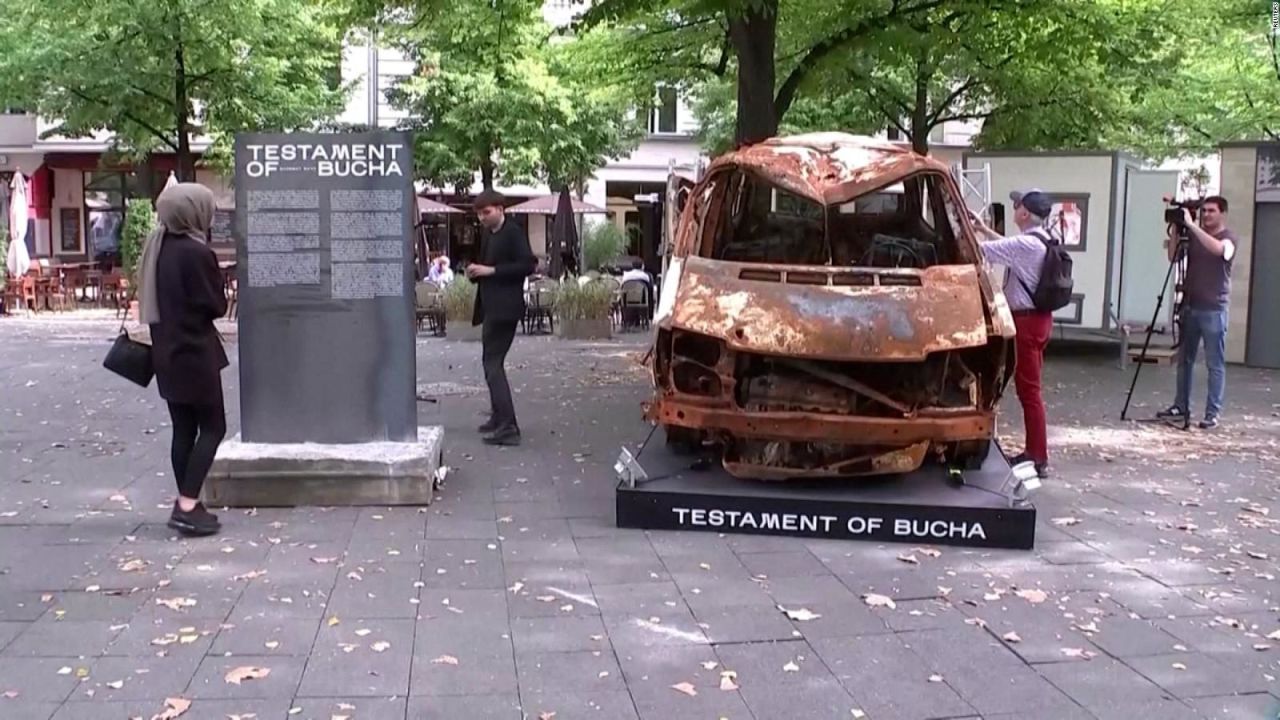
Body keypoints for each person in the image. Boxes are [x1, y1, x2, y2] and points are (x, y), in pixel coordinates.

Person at [138, 183, 228, 536]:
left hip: (167, 353)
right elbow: (216, 306)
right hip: (195, 354)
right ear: (193, 212)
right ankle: (187, 505)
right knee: (213, 427)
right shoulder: (195, 252)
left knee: (183, 429)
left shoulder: (157, 247)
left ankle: (188, 501)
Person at [971, 189, 1055, 478]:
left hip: (1027, 323)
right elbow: (1009, 246)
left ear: (1024, 213)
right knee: (1030, 389)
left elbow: (979, 251)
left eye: (1017, 205)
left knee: (1029, 392)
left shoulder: (1025, 245)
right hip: (1040, 320)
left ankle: (1038, 456)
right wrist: (983, 228)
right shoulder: (1043, 239)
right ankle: (1035, 452)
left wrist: (969, 233)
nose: (1015, 208)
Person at [1157, 196, 1237, 430]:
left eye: (1212, 211)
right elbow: (1173, 257)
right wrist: (1176, 230)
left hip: (1214, 308)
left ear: (1223, 213)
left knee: (1215, 363)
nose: (1207, 215)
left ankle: (1212, 413)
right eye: (1204, 211)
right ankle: (1180, 405)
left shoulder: (1229, 238)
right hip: (1190, 306)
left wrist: (1192, 226)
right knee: (1184, 361)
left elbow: (1220, 251)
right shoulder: (1193, 234)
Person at [467, 190, 536, 446]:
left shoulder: (513, 232)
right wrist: (476, 272)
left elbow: (528, 265)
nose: (482, 218)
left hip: (505, 309)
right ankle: (499, 418)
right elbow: (486, 267)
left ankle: (508, 426)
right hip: (491, 307)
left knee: (493, 366)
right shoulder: (487, 234)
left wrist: (491, 270)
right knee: (490, 364)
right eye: (479, 214)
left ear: (500, 209)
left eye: (487, 213)